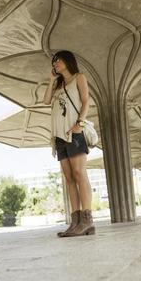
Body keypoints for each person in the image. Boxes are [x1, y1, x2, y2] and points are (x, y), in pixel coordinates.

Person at [43, 50, 95, 237]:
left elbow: (86, 101)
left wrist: (79, 123)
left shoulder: (79, 77)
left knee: (80, 173)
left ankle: (87, 221)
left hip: (74, 133)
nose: (55, 63)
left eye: (58, 60)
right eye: (53, 62)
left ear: (67, 61)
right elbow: (46, 100)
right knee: (69, 178)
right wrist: (51, 80)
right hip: (59, 136)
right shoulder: (58, 85)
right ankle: (75, 222)